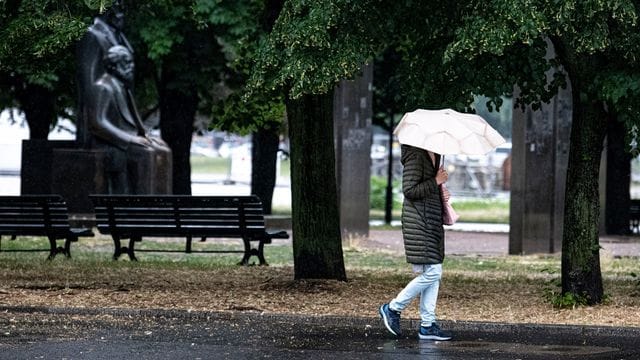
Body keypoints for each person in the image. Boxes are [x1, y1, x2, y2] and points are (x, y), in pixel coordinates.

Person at [379, 144, 453, 341]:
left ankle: (427, 325)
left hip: (431, 221)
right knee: (434, 271)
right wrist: (436, 180)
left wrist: (441, 190)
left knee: (433, 272)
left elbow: (427, 188)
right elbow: (409, 190)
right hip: (418, 221)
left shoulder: (435, 154)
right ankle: (393, 308)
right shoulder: (416, 155)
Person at [90, 45, 171, 194]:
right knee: (146, 154)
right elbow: (97, 123)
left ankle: (160, 208)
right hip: (110, 144)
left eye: (131, 62)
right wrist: (130, 139)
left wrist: (146, 135)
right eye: (126, 63)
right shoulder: (103, 87)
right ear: (113, 66)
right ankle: (139, 208)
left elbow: (133, 121)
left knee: (163, 150)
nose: (131, 67)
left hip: (126, 141)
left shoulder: (123, 87)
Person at [76, 0, 133, 147]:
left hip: (119, 122)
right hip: (101, 133)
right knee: (148, 153)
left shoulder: (119, 37)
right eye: (121, 7)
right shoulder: (92, 35)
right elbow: (89, 88)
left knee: (159, 148)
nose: (124, 14)